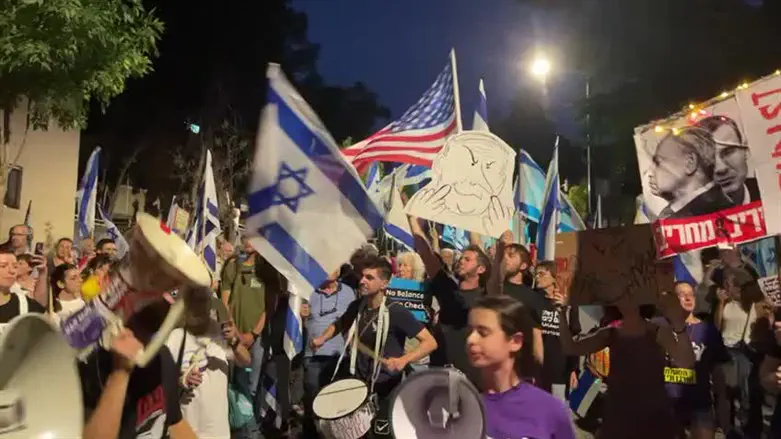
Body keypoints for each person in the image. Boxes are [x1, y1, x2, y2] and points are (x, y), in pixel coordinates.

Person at [311, 255, 437, 438]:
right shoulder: (357, 307)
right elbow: (340, 324)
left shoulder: (396, 311)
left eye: (369, 278)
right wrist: (322, 338)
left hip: (386, 390)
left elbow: (430, 342)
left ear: (384, 284)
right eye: (362, 276)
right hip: (359, 387)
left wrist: (403, 360)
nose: (362, 281)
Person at [559, 289, 695, 439]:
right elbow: (570, 347)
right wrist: (561, 313)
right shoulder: (611, 333)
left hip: (652, 415)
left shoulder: (657, 332)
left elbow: (686, 361)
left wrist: (679, 326)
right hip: (619, 415)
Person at [79, 297, 199, 439]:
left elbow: (174, 421)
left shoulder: (162, 357)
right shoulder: (91, 369)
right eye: (145, 319)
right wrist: (120, 373)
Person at [467, 295, 575, 439]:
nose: (471, 339)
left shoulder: (549, 409)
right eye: (470, 331)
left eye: (483, 332)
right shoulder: (459, 407)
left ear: (515, 341)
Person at [165, 286, 251, 439]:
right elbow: (164, 383)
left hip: (218, 430)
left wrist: (235, 341)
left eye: (203, 302)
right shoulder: (175, 338)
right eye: (194, 303)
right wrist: (183, 380)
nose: (198, 308)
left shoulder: (222, 333)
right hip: (187, 427)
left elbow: (246, 361)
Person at [655, 281, 730, 439]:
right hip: (665, 403)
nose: (688, 298)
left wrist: (722, 402)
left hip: (699, 402)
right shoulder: (657, 326)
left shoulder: (708, 330)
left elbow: (717, 370)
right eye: (682, 295)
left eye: (691, 295)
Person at [302, 269, 355, 438]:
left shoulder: (349, 292)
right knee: (313, 399)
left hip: (339, 357)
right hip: (313, 356)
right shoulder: (307, 290)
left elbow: (353, 323)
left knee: (335, 402)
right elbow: (296, 326)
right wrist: (301, 317)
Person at [650, 126, 733, 219]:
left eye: (658, 163)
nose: (651, 172)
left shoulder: (707, 212)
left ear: (690, 163)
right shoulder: (713, 204)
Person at [696, 115, 760, 206]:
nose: (720, 169)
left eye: (728, 152)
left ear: (745, 150)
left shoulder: (772, 189)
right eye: (707, 158)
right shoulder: (690, 216)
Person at [0, 250, 45, 330]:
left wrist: (43, 273)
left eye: (15, 266)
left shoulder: (26, 305)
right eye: (3, 266)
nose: (12, 271)